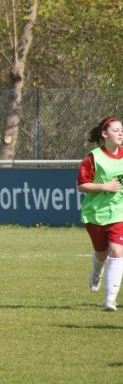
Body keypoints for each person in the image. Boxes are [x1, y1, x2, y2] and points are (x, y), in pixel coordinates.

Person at [77, 116, 123, 312]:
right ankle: (97, 271)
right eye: (115, 130)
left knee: (117, 252)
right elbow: (82, 185)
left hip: (119, 213)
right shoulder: (93, 157)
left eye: (121, 130)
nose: (120, 133)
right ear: (104, 134)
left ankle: (110, 299)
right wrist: (104, 186)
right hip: (95, 213)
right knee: (101, 253)